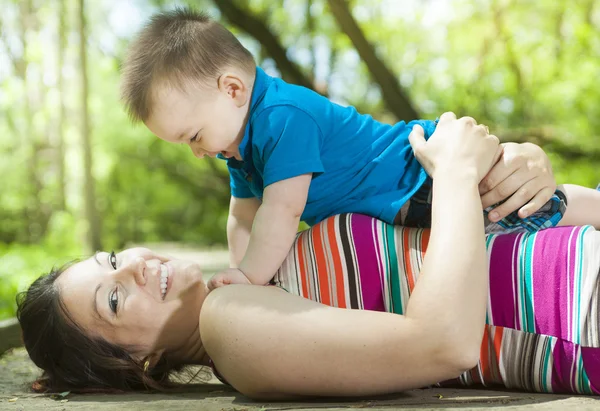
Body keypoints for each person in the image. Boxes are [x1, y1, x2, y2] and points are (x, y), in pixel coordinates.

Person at [17, 115, 600, 396]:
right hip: (578, 312)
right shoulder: (231, 326)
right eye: (114, 297)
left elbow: (462, 229)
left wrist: (523, 170)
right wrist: (454, 173)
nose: (133, 266)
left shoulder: (259, 266)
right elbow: (443, 343)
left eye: (113, 256)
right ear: (134, 364)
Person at [119, 8, 600, 289]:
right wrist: (239, 273)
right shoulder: (237, 147)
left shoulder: (283, 117)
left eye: (193, 136)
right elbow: (242, 216)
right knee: (503, 234)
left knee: (519, 211)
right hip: (401, 198)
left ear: (232, 89)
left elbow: (282, 211)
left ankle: (591, 203)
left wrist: (250, 280)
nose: (197, 152)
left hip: (416, 172)